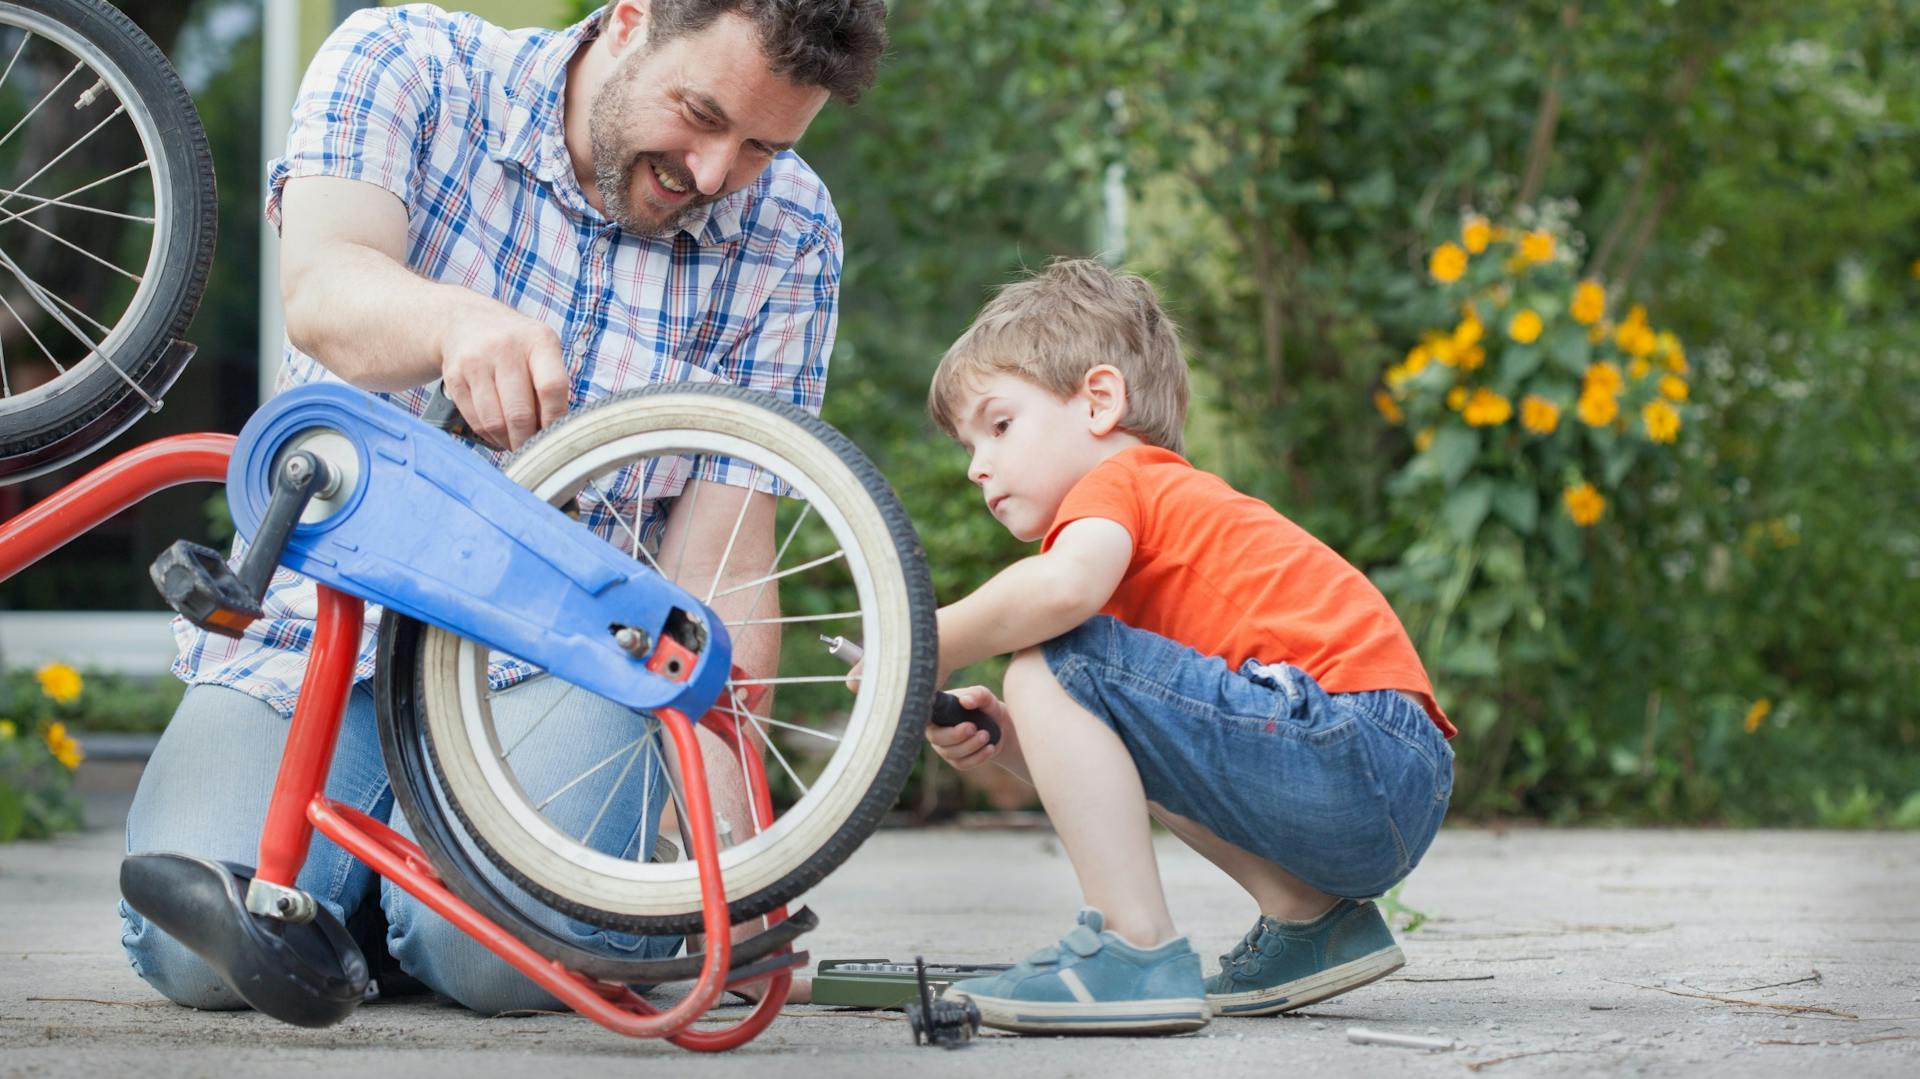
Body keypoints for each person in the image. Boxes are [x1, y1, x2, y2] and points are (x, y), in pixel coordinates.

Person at [120, 0, 885, 1014]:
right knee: (198, 953)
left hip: (562, 658)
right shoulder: (407, 62)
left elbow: (726, 563)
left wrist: (731, 853)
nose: (710, 174)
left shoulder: (788, 227)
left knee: (486, 957)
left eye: (759, 145)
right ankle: (397, 892)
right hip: (317, 635)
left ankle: (414, 908)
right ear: (628, 20)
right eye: (699, 113)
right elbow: (322, 284)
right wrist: (454, 322)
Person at [920, 259, 1458, 1035]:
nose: (978, 465)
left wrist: (927, 641)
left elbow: (1060, 593)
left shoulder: (1121, 480)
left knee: (1049, 652)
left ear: (1099, 401)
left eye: (999, 425)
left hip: (1358, 744)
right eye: (969, 446)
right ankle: (1311, 917)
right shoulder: (1156, 527)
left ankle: (1133, 949)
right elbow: (1120, 757)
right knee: (1068, 677)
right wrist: (1010, 738)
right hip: (1386, 770)